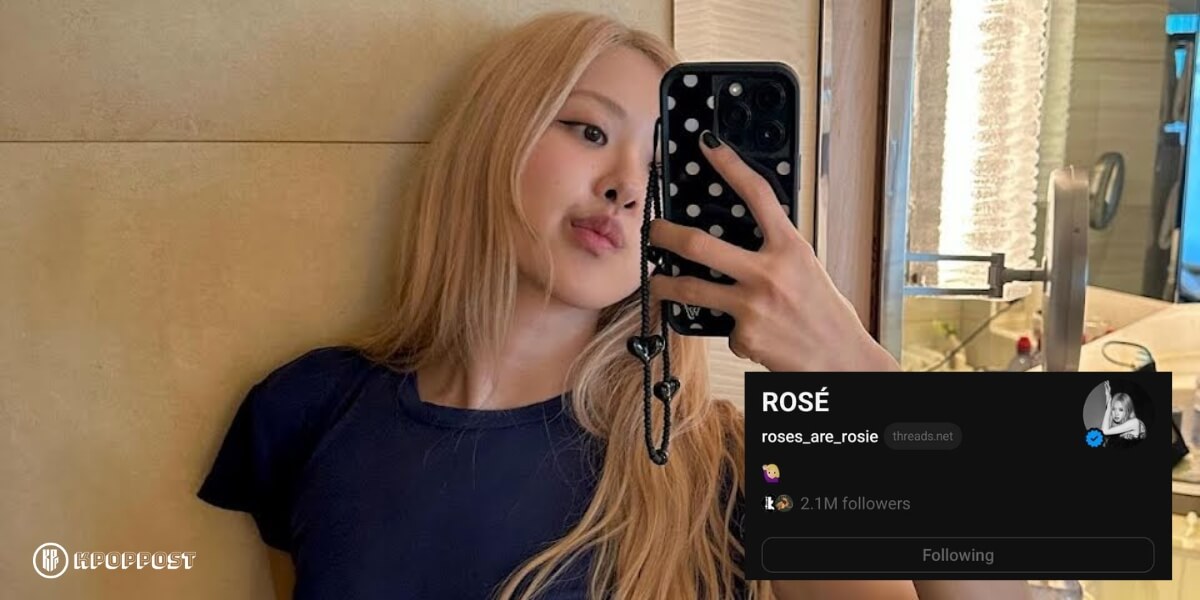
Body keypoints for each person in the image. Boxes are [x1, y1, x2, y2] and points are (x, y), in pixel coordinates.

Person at [197, 10, 1030, 600]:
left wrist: (859, 373)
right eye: (590, 131)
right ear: (496, 136)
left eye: (663, 169)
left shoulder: (728, 470)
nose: (629, 187)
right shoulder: (306, 409)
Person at [1101, 381, 1146, 446]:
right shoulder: (1114, 425)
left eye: (1121, 410)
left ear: (1128, 410)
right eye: (1113, 409)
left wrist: (1109, 406)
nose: (1116, 413)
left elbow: (1104, 431)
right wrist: (1108, 398)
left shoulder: (1135, 422)